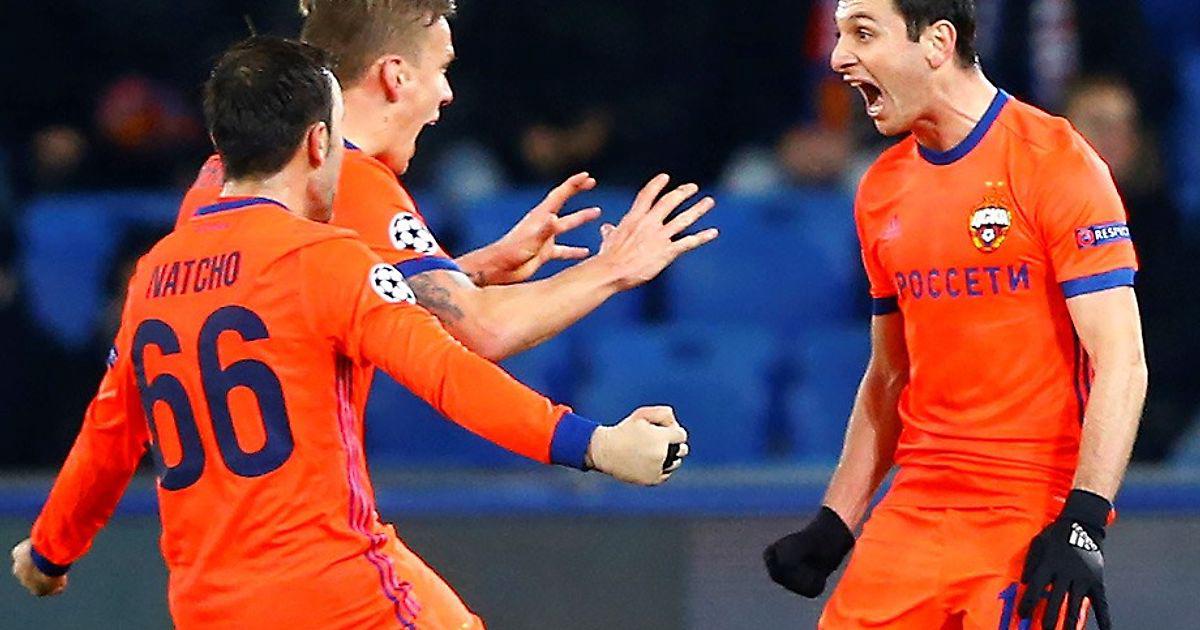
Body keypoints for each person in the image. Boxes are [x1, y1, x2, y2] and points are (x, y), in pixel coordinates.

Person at [10, 37, 690, 629]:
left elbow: (110, 434)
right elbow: (448, 372)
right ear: (318, 143)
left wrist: (49, 550)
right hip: (339, 595)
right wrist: (593, 443)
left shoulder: (154, 275)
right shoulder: (326, 258)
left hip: (207, 609)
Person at [762, 2, 1146, 630]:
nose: (838, 57)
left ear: (938, 42)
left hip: (1029, 509)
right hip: (913, 508)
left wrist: (1084, 521)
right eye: (839, 35)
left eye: (863, 33)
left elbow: (1122, 363)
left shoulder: (1054, 160)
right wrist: (836, 522)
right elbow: (889, 375)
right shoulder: (881, 188)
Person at [180, 0, 718, 363]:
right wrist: (614, 267)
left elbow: (337, 308)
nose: (447, 93)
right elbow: (484, 330)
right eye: (442, 69)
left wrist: (470, 271)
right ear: (395, 76)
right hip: (294, 496)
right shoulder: (354, 181)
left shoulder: (223, 175)